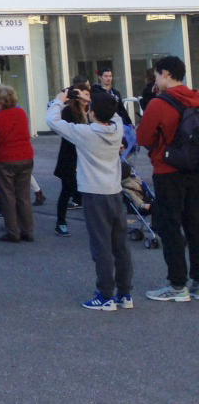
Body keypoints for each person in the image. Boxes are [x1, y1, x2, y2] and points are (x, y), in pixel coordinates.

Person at [47, 89, 133, 310]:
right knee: (120, 246)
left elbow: (52, 120)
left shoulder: (84, 133)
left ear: (92, 113)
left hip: (94, 194)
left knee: (101, 247)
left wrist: (59, 100)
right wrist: (92, 101)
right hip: (114, 192)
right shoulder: (117, 128)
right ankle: (124, 294)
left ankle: (105, 296)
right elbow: (113, 113)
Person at [136, 54, 199, 302]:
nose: (157, 79)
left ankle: (177, 285)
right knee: (195, 224)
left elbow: (142, 137)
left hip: (167, 169)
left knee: (169, 226)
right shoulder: (195, 98)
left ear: (166, 74)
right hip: (194, 168)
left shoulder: (159, 104)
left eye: (158, 75)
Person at [0, 85, 35, 243]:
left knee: (7, 196)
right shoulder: (21, 113)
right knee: (23, 196)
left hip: (4, 159)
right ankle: (28, 231)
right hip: (25, 156)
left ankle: (13, 232)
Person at [54, 79, 91, 237]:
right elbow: (66, 132)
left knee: (87, 191)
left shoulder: (93, 111)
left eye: (88, 94)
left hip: (87, 157)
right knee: (67, 189)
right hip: (70, 156)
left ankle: (94, 221)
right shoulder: (69, 111)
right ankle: (61, 221)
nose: (85, 98)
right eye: (82, 94)